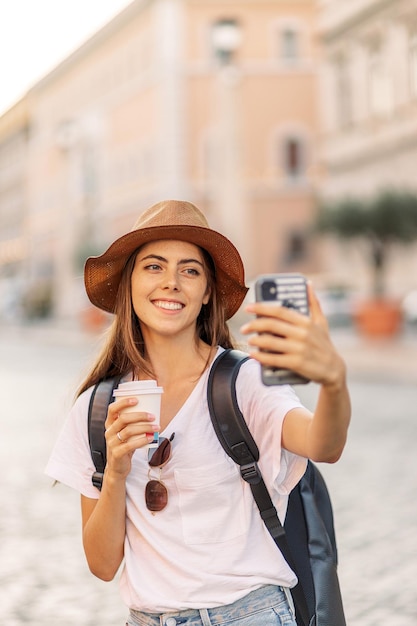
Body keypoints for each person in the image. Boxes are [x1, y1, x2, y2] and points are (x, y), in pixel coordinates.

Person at [45, 199, 351, 626]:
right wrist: (115, 471)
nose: (171, 282)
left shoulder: (243, 382)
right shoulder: (97, 408)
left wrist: (334, 382)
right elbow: (102, 565)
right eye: (153, 266)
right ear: (128, 283)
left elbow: (325, 444)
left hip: (252, 615)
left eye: (190, 270)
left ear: (207, 292)